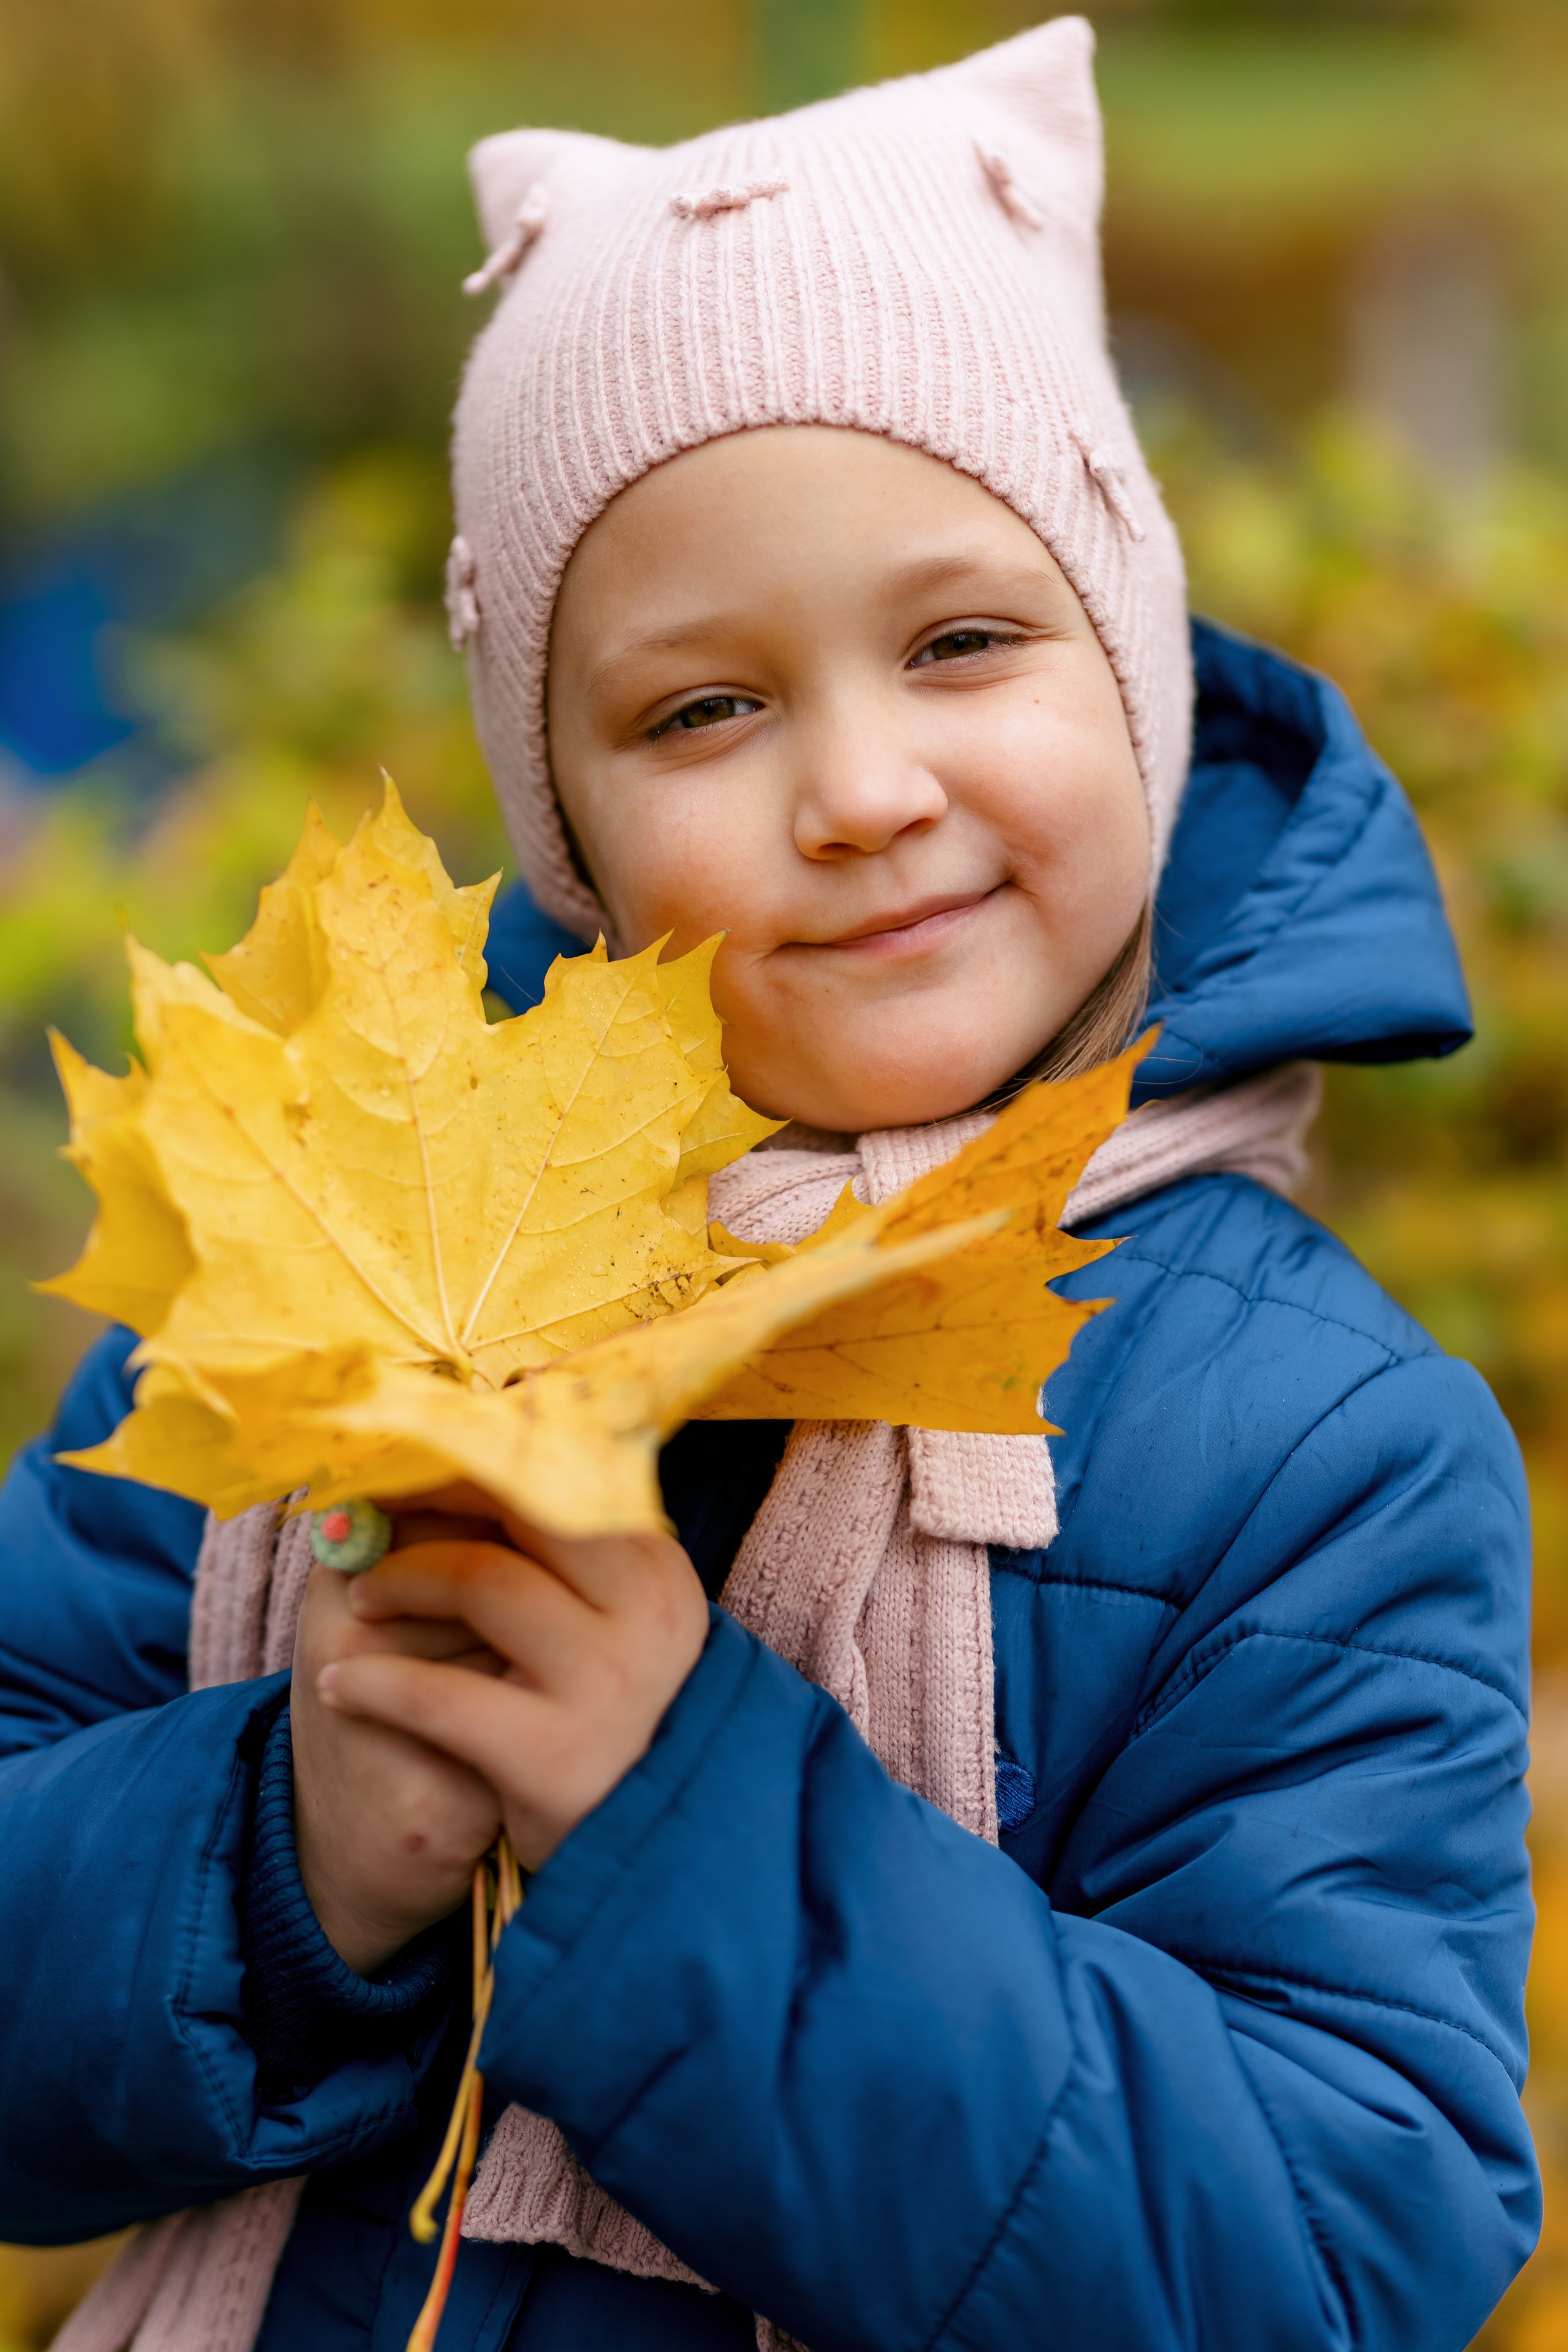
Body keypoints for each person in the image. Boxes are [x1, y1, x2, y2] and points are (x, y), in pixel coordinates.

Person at [0, 20, 1537, 2352]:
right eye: (703, 709)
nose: (860, 789)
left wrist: (676, 1822)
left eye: (964, 644)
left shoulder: (1312, 1450)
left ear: (1127, 673)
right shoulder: (331, 1265)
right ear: (579, 833)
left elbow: (1323, 2261)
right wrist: (277, 1859)